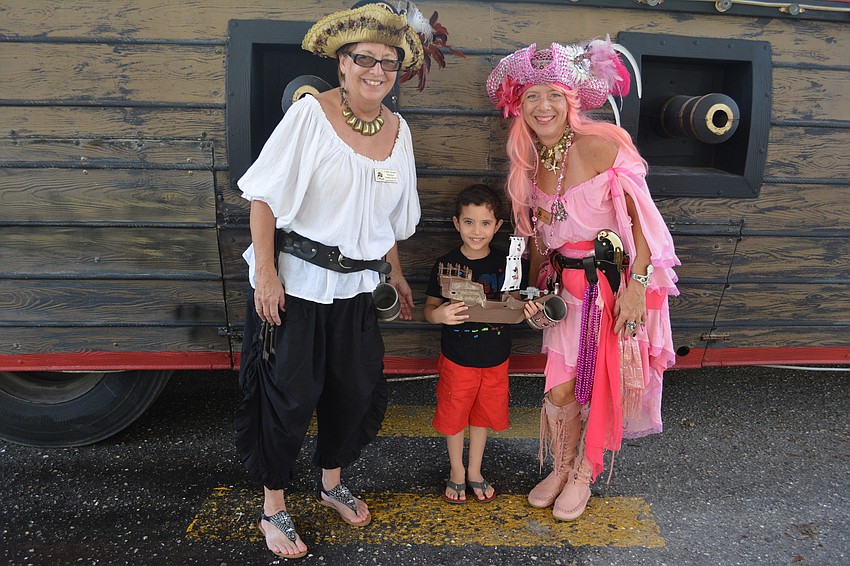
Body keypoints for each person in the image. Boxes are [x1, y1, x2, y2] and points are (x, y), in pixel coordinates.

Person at [233, 1, 447, 559]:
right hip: (297, 288)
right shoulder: (309, 116)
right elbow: (263, 198)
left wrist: (395, 273)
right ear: (342, 64)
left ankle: (331, 485)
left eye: (389, 63)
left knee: (351, 393)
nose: (377, 71)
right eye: (364, 59)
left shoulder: (399, 131)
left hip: (357, 292)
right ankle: (273, 507)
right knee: (288, 398)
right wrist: (267, 277)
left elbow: (385, 219)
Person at [486, 39, 680, 521]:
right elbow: (535, 240)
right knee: (559, 389)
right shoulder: (529, 163)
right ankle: (561, 464)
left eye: (553, 93)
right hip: (564, 292)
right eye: (532, 95)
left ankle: (584, 473)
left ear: (571, 100)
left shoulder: (600, 145)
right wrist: (529, 291)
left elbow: (643, 225)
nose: (543, 105)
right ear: (519, 106)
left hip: (609, 289)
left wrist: (637, 289)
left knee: (602, 384)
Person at [424, 184, 537, 504]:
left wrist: (530, 309)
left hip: (496, 359)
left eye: (485, 223)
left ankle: (475, 470)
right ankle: (456, 471)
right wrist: (440, 315)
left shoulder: (510, 265)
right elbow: (429, 311)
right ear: (456, 223)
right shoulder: (444, 263)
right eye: (469, 222)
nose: (477, 231)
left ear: (498, 226)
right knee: (454, 415)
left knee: (482, 417)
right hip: (457, 359)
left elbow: (522, 305)